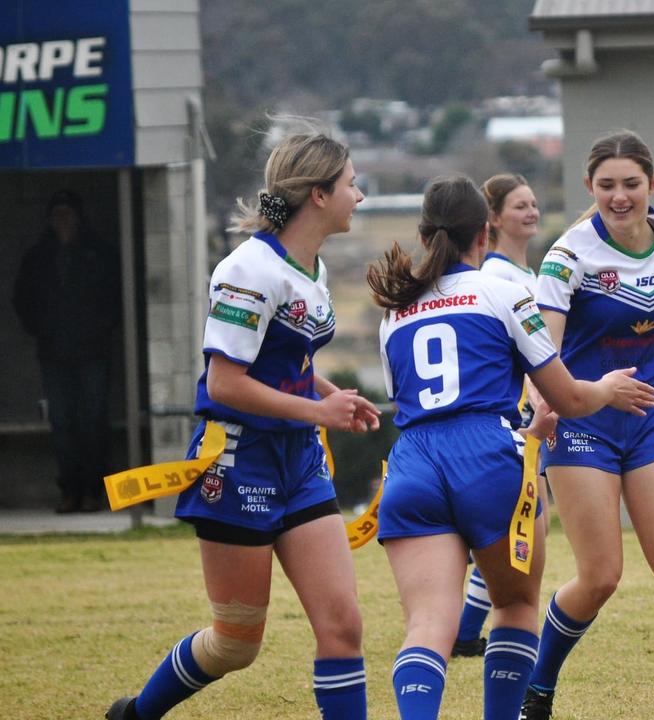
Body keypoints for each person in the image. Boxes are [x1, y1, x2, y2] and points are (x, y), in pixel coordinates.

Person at [106, 130, 381, 720]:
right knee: (235, 643)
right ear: (317, 194)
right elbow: (226, 381)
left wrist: (333, 396)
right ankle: (134, 715)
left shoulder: (313, 266)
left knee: (343, 627)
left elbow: (287, 363)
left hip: (300, 461)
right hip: (238, 462)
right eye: (351, 183)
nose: (359, 195)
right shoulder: (248, 269)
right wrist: (318, 412)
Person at [367, 173, 654, 720]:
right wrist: (608, 389)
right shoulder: (505, 292)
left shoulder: (392, 314)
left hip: (413, 463)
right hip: (489, 457)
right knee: (518, 605)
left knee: (429, 625)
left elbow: (419, 403)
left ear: (427, 237)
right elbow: (567, 398)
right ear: (484, 234)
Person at [519, 130, 654, 720]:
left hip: (649, 421)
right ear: (590, 188)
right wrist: (547, 412)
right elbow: (546, 351)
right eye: (606, 186)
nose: (619, 197)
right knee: (600, 577)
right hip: (582, 422)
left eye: (631, 184)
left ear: (653, 184)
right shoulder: (568, 255)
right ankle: (538, 688)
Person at [452, 173, 545, 658]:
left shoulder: (528, 275)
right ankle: (462, 631)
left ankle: (464, 632)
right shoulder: (496, 276)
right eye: (518, 206)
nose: (531, 212)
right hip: (516, 419)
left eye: (533, 203)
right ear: (492, 219)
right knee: (518, 527)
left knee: (517, 528)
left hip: (534, 413)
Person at [13, 189, 120, 513]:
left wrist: (100, 329)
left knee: (93, 421)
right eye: (57, 215)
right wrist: (41, 330)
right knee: (61, 424)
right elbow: (22, 299)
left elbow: (117, 296)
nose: (62, 222)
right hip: (54, 353)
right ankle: (69, 490)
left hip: (93, 352)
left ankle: (91, 491)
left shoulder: (98, 254)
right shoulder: (39, 257)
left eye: (67, 215)